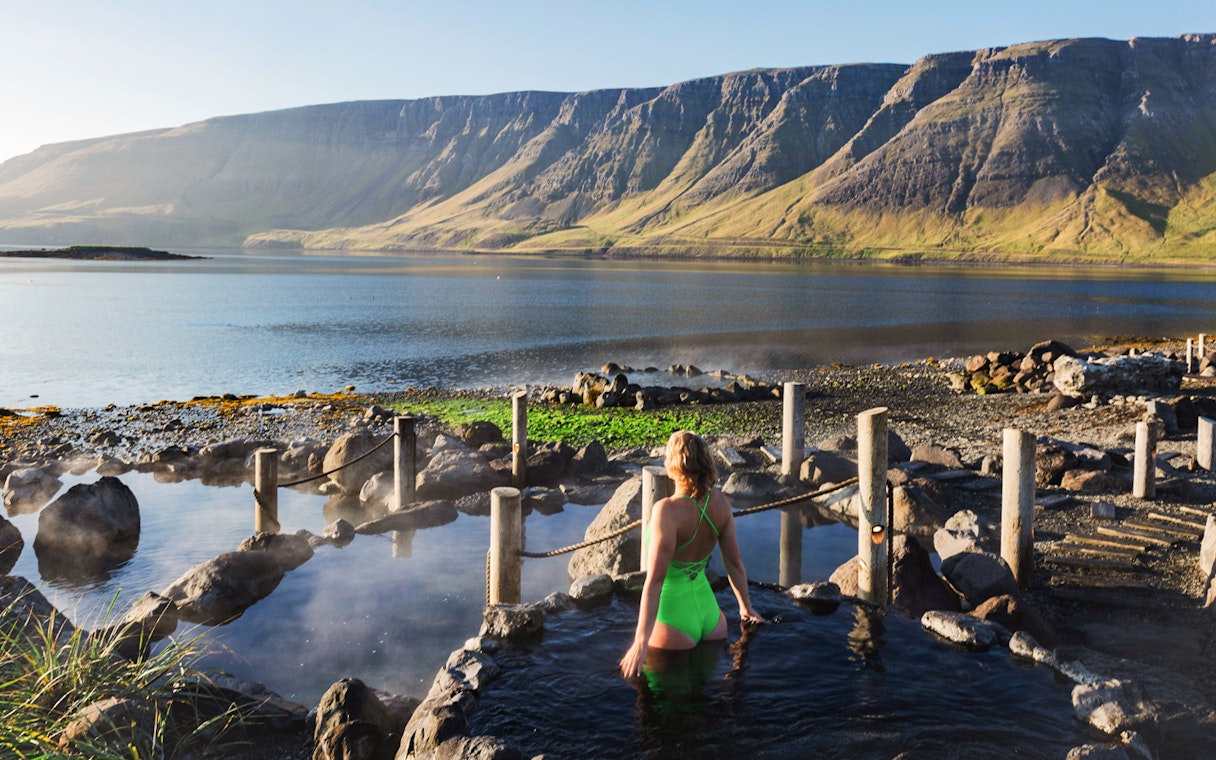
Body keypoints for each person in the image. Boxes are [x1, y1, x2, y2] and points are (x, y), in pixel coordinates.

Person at [620, 430, 762, 679]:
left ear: (673, 465)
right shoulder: (720, 501)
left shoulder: (666, 511)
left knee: (666, 711)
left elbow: (655, 581)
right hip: (712, 619)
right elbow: (734, 563)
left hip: (673, 619)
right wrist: (745, 607)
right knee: (704, 698)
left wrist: (640, 643)